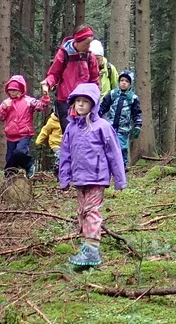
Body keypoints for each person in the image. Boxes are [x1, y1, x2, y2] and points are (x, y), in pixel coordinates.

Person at [58, 83, 127, 267]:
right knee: (82, 212)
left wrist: (120, 179)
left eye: (85, 101)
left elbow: (114, 153)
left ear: (93, 104)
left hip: (97, 178)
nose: (80, 104)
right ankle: (86, 244)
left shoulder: (102, 126)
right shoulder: (71, 128)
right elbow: (65, 155)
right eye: (77, 101)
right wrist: (64, 178)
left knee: (91, 211)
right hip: (79, 179)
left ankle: (92, 250)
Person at [41, 25, 100, 132]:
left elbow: (94, 80)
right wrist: (47, 83)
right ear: (78, 40)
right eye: (86, 43)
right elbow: (54, 74)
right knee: (69, 132)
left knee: (84, 132)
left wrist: (95, 98)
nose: (88, 47)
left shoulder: (90, 57)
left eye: (90, 43)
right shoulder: (64, 54)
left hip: (83, 101)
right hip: (65, 101)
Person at [0, 75, 49, 176]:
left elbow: (41, 106)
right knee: (10, 158)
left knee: (20, 151)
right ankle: (10, 177)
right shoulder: (6, 103)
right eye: (10, 90)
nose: (12, 92)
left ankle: (29, 165)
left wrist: (45, 95)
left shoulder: (28, 101)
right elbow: (0, 118)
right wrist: (4, 108)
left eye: (14, 90)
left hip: (25, 133)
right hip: (11, 135)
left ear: (20, 90)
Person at [99, 70, 142, 169]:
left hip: (123, 129)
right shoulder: (113, 94)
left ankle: (122, 166)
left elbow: (136, 113)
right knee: (107, 145)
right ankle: (107, 166)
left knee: (122, 147)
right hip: (110, 126)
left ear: (130, 84)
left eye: (126, 81)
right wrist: (97, 114)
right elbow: (104, 106)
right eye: (122, 80)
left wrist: (138, 126)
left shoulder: (132, 98)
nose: (123, 83)